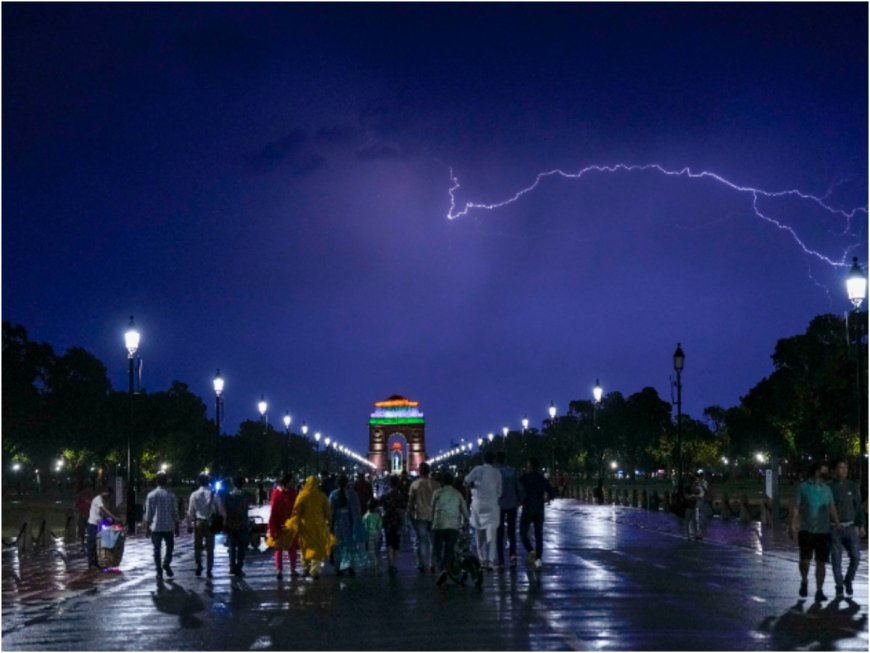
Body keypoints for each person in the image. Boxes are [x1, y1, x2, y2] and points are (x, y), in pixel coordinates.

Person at [788, 461, 840, 603]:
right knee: (805, 561)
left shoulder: (827, 489)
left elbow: (832, 508)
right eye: (824, 471)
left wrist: (837, 523)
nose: (827, 473)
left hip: (823, 531)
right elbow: (796, 508)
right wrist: (792, 525)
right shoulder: (803, 487)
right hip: (806, 530)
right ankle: (804, 580)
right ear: (817, 471)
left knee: (821, 562)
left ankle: (819, 590)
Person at [828, 459, 865, 597]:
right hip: (834, 528)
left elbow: (859, 506)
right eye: (840, 467)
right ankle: (839, 586)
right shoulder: (829, 487)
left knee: (856, 557)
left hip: (850, 527)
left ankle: (848, 580)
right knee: (836, 559)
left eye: (846, 467)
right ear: (835, 470)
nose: (844, 470)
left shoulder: (852, 486)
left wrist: (861, 524)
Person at [286, 476, 334, 578]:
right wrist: (329, 522)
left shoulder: (302, 496)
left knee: (304, 548)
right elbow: (328, 511)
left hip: (305, 527)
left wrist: (294, 524)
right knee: (317, 548)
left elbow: (296, 512)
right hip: (318, 526)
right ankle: (315, 570)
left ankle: (305, 569)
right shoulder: (322, 496)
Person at [464, 451, 503, 570]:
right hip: (492, 506)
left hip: (478, 506)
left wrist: (474, 487)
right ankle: (491, 561)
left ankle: (482, 560)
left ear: (483, 459)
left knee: (479, 534)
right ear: (493, 460)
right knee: (492, 535)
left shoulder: (477, 469)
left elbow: (466, 481)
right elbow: (500, 492)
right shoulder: (497, 473)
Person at [432, 471, 470, 585]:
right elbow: (465, 511)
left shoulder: (437, 493)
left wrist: (432, 522)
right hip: (453, 526)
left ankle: (441, 568)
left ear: (442, 482)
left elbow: (432, 509)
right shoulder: (458, 494)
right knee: (450, 549)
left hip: (439, 525)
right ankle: (446, 568)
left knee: (437, 550)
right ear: (453, 482)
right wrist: (466, 521)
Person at [518, 458, 555, 570]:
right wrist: (545, 498)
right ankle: (538, 559)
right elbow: (552, 493)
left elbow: (518, 489)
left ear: (530, 466)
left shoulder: (524, 478)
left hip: (528, 508)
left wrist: (521, 500)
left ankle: (531, 551)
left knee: (523, 533)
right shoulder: (542, 478)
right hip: (539, 509)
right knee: (539, 534)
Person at [144, 472, 180, 580]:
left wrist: (147, 527)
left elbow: (148, 513)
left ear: (156, 481)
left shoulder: (151, 495)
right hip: (168, 526)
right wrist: (177, 525)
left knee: (156, 549)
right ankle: (166, 562)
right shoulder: (171, 495)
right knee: (170, 547)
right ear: (166, 481)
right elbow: (175, 511)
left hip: (155, 527)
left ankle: (158, 570)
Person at [329, 474, 367, 576]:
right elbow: (357, 510)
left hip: (338, 523)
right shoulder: (352, 494)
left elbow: (330, 511)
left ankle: (339, 567)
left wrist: (330, 525)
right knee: (350, 546)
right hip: (350, 523)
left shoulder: (333, 494)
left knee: (339, 546)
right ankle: (350, 566)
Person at [408, 462, 441, 572]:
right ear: (429, 471)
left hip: (420, 516)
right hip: (434, 516)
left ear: (419, 471)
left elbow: (410, 502)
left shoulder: (414, 484)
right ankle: (432, 564)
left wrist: (411, 514)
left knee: (421, 541)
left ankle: (422, 563)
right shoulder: (436, 484)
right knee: (433, 541)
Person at [268, 473, 299, 580]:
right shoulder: (280, 493)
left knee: (290, 548)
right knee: (281, 548)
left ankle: (289, 569)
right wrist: (272, 527)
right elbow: (273, 511)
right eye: (291, 481)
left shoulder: (280, 493)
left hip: (289, 524)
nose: (293, 483)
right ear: (287, 482)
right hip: (280, 524)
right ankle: (282, 570)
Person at [495, 451, 522, 569]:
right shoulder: (512, 471)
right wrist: (520, 501)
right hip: (512, 504)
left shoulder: (495, 472)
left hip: (499, 505)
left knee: (499, 533)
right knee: (511, 532)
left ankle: (501, 560)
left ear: (496, 461)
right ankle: (513, 556)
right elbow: (519, 487)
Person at [221, 475, 252, 577]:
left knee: (232, 546)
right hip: (242, 523)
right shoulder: (246, 494)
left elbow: (225, 509)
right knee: (242, 547)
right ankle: (239, 566)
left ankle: (231, 567)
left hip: (231, 523)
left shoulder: (229, 495)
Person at [187, 473, 217, 578]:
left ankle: (199, 564)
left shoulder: (194, 495)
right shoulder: (213, 494)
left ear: (198, 482)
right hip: (210, 522)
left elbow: (191, 511)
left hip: (198, 522)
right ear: (208, 481)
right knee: (210, 548)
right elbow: (219, 508)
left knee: (197, 546)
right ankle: (209, 569)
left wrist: (189, 524)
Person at [380, 475, 406, 576]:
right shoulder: (400, 495)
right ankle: (394, 564)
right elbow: (404, 508)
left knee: (389, 543)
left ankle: (390, 563)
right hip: (397, 521)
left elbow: (380, 504)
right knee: (396, 544)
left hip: (387, 521)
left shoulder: (385, 495)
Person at [86, 486, 117, 569]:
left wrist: (108, 519)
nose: (108, 496)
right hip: (92, 524)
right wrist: (113, 517)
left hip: (97, 524)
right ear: (105, 492)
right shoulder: (98, 499)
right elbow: (104, 510)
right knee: (92, 544)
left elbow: (102, 514)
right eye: (108, 494)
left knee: (96, 544)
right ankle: (90, 563)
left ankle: (95, 562)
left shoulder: (102, 500)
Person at [362, 499, 383, 574]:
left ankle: (374, 565)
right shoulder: (377, 516)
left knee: (371, 551)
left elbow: (364, 527)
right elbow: (380, 525)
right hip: (377, 534)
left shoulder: (365, 516)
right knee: (377, 550)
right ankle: (378, 564)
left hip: (369, 535)